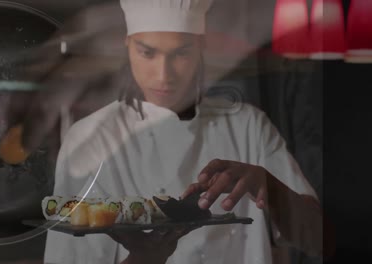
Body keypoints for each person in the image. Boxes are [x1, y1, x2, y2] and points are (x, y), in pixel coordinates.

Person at [43, 0, 324, 263]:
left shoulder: (248, 125)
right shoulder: (91, 137)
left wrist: (268, 185)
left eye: (181, 53)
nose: (164, 75)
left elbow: (319, 242)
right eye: (147, 52)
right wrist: (145, 259)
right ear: (127, 46)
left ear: (201, 46)